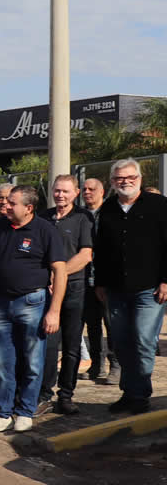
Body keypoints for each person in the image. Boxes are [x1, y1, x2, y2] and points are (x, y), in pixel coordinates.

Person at [0, 185, 67, 434]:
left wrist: (54, 310)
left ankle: (25, 412)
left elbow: (60, 270)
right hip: (1, 304)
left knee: (32, 362)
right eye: (5, 202)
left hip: (33, 303)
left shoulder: (45, 230)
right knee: (4, 364)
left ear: (28, 208)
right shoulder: (0, 228)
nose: (5, 206)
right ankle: (2, 414)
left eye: (12, 203)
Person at [93, 159, 167, 416]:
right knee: (122, 342)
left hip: (149, 288)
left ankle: (140, 395)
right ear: (112, 182)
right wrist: (100, 282)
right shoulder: (109, 209)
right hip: (115, 288)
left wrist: (165, 280)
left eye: (130, 177)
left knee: (143, 340)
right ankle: (129, 392)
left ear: (140, 178)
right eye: (119, 178)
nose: (125, 182)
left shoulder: (159, 205)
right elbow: (101, 249)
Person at [39, 175, 93, 415]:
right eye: (57, 190)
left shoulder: (83, 218)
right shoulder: (43, 217)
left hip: (74, 290)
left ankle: (66, 395)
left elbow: (85, 255)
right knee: (48, 345)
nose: (60, 195)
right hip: (46, 292)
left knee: (71, 346)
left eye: (65, 191)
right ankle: (44, 395)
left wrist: (58, 275)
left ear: (76, 193)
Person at [81, 177, 116, 384]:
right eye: (84, 189)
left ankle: (116, 366)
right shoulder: (81, 216)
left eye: (92, 189)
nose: (87, 192)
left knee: (111, 325)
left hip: (107, 280)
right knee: (92, 326)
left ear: (102, 192)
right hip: (85, 279)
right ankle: (96, 365)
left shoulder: (110, 213)